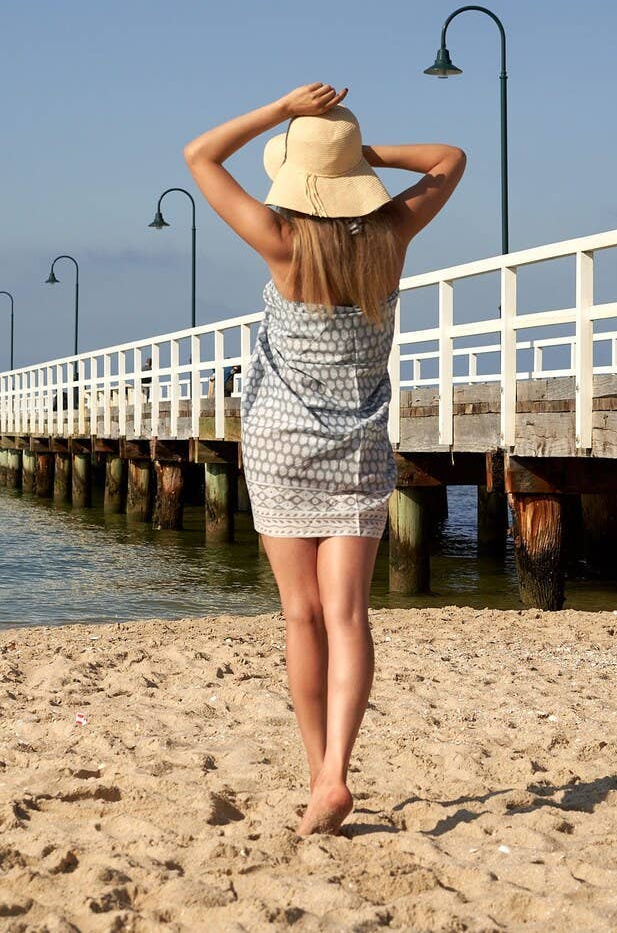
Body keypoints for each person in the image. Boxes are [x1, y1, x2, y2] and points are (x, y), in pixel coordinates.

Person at [184, 83, 464, 835]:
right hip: (358, 449)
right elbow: (449, 158)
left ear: (298, 180)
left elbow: (199, 155)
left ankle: (319, 778)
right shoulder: (393, 234)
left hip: (280, 445)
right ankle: (337, 770)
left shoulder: (281, 242)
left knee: (300, 616)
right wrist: (360, 155)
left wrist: (281, 113)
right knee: (347, 615)